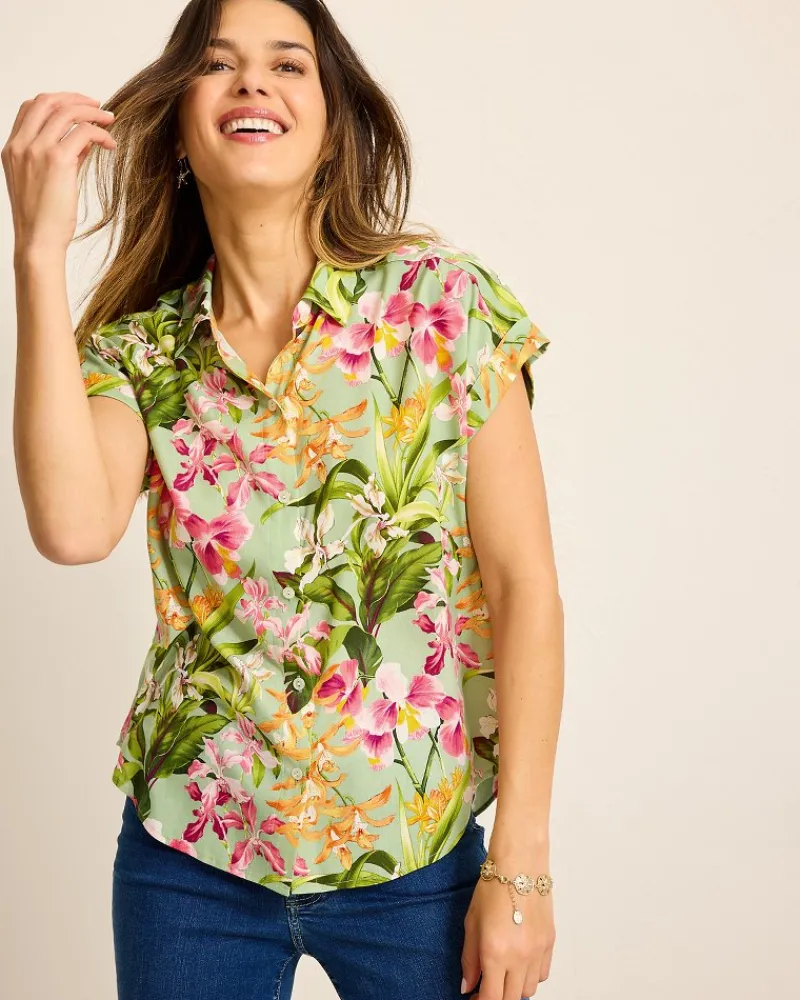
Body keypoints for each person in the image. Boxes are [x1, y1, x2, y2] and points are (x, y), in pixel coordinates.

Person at [5, 1, 564, 998]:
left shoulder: (444, 307)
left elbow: (525, 587)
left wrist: (519, 867)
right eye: (218, 63)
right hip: (190, 858)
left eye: (288, 64)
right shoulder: (142, 351)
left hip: (417, 857)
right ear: (180, 128)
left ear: (334, 124)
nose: (253, 82)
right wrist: (37, 254)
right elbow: (73, 529)